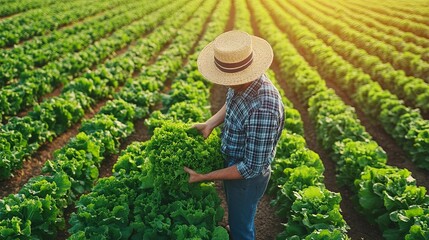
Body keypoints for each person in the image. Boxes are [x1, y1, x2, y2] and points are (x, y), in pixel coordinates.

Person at [183, 30, 285, 240]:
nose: (225, 82)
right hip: (234, 165)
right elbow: (232, 105)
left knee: (242, 228)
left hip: (246, 177)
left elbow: (250, 167)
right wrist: (209, 123)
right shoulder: (242, 82)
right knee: (237, 212)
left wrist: (204, 177)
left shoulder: (264, 107)